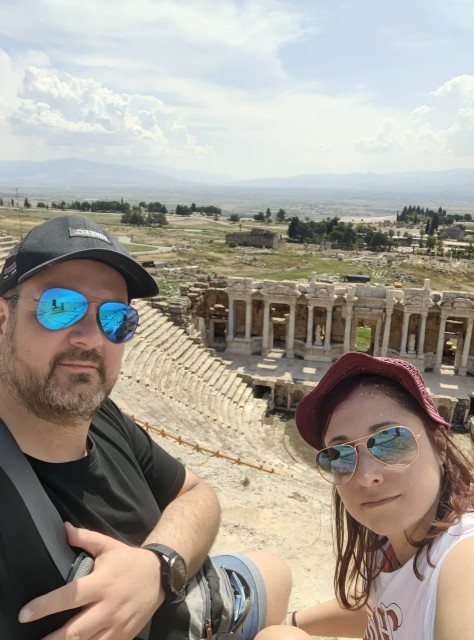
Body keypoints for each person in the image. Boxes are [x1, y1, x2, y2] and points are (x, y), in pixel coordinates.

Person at [0, 214, 292, 640]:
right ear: (3, 319)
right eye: (60, 307)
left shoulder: (101, 415)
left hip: (194, 599)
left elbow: (197, 495)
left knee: (276, 571)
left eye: (116, 318)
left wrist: (158, 567)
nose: (91, 337)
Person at [255, 351, 474, 640]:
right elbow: (379, 607)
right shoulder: (389, 543)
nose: (365, 476)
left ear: (439, 445)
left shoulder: (467, 558)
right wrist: (291, 623)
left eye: (391, 442)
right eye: (340, 455)